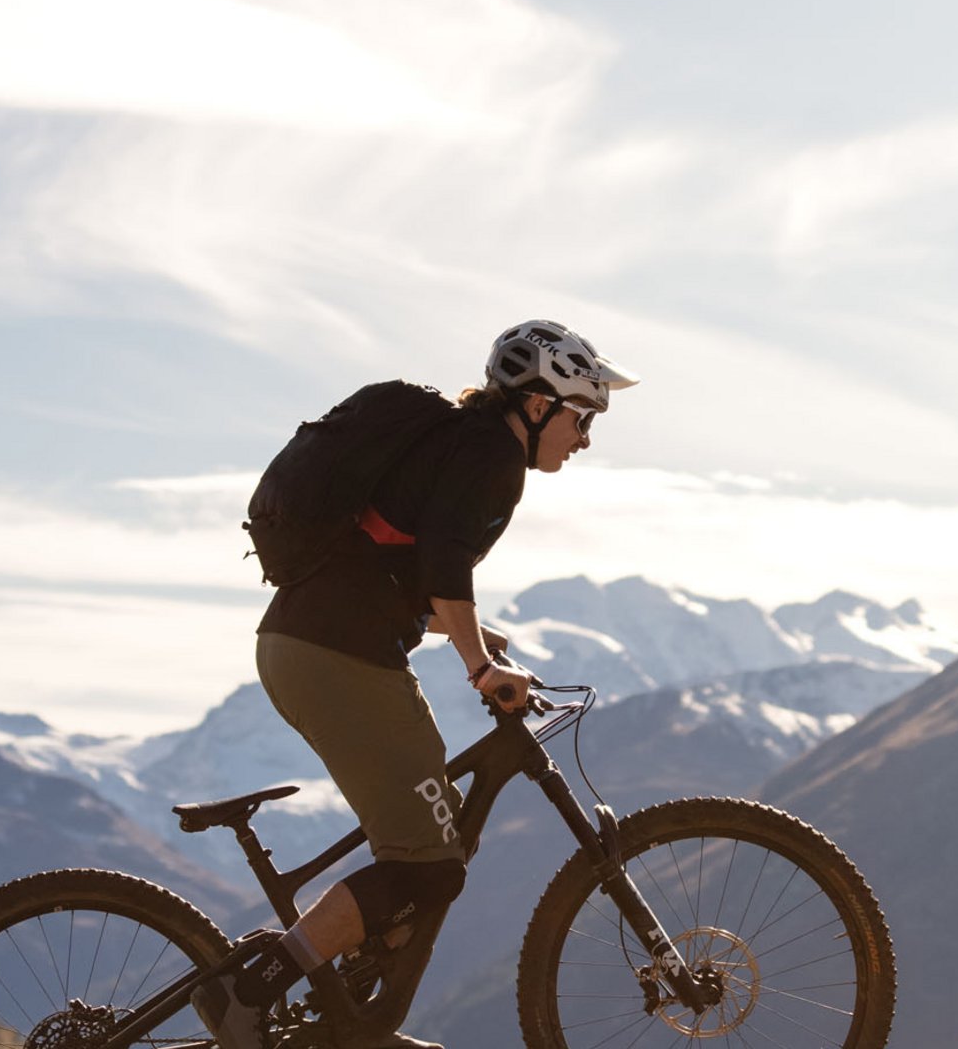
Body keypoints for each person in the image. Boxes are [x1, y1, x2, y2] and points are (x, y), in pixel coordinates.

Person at [195, 320, 638, 1049]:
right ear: (535, 407)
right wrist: (480, 666)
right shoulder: (493, 454)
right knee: (429, 867)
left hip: (309, 643)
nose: (584, 438)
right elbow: (443, 564)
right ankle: (251, 991)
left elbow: (396, 563)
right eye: (581, 417)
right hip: (336, 653)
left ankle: (353, 1020)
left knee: (431, 840)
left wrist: (466, 631)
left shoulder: (461, 444)